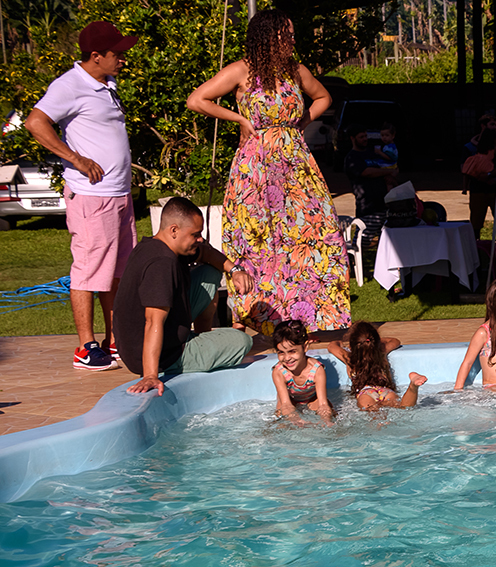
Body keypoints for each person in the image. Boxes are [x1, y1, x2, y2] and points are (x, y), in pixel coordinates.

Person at [187, 9, 350, 336]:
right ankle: (255, 318)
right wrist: (240, 120)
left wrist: (302, 122)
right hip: (256, 171)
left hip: (296, 168)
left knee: (309, 236)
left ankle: (307, 318)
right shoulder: (241, 71)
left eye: (291, 35)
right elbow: (197, 100)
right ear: (267, 37)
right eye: (286, 34)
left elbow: (323, 97)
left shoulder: (296, 71)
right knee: (256, 241)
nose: (292, 40)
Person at [26, 21, 139, 371]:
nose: (122, 59)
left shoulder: (107, 84)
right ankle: (85, 347)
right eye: (117, 54)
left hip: (119, 194)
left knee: (118, 272)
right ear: (95, 56)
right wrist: (75, 158)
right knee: (89, 272)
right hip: (92, 197)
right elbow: (35, 122)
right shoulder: (69, 85)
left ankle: (114, 338)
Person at [113, 197, 254, 395]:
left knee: (210, 272)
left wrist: (235, 270)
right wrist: (151, 375)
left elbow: (206, 253)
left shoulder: (157, 245)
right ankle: (186, 354)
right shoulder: (161, 264)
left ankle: (201, 337)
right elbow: (152, 322)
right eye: (195, 234)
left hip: (160, 334)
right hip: (160, 354)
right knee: (241, 342)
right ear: (174, 230)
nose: (200, 239)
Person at [328, 321, 424, 411]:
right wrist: (374, 342)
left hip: (365, 393)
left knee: (374, 417)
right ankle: (412, 387)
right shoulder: (382, 353)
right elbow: (395, 341)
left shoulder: (349, 359)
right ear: (376, 341)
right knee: (403, 407)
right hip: (386, 391)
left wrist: (340, 342)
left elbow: (331, 346)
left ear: (351, 345)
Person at [271, 320, 334, 423]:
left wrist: (327, 422)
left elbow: (322, 404)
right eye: (281, 353)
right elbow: (286, 404)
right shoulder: (279, 372)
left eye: (292, 351)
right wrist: (297, 421)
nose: (287, 358)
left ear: (305, 347)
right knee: (280, 419)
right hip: (289, 400)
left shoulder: (317, 370)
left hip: (313, 399)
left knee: (330, 415)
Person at [344, 125, 398, 244]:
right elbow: (367, 172)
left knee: (387, 243)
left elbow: (389, 164)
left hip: (385, 205)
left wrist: (392, 174)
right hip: (368, 208)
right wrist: (389, 172)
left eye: (366, 136)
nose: (365, 139)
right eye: (361, 137)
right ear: (352, 138)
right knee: (361, 243)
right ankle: (354, 262)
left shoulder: (373, 152)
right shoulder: (352, 158)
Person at [462, 127, 496, 240]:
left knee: (479, 224)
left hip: (482, 190)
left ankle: (477, 247)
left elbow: (467, 174)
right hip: (488, 190)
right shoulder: (495, 151)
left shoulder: (476, 151)